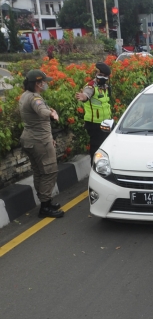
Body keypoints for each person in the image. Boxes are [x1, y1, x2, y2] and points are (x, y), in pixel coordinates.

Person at [19, 70, 65, 218]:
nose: (45, 84)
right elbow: (42, 112)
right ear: (38, 83)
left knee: (39, 171)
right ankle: (45, 207)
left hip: (30, 139)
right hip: (40, 142)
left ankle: (46, 201)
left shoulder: (25, 95)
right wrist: (53, 114)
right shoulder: (34, 98)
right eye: (43, 82)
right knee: (49, 172)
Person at [75, 62, 112, 165]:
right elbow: (86, 94)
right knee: (96, 148)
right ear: (96, 74)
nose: (103, 77)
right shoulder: (91, 86)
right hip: (94, 124)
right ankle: (95, 168)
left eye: (105, 76)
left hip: (106, 123)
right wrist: (83, 97)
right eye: (101, 75)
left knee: (106, 147)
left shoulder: (106, 87)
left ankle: (104, 167)